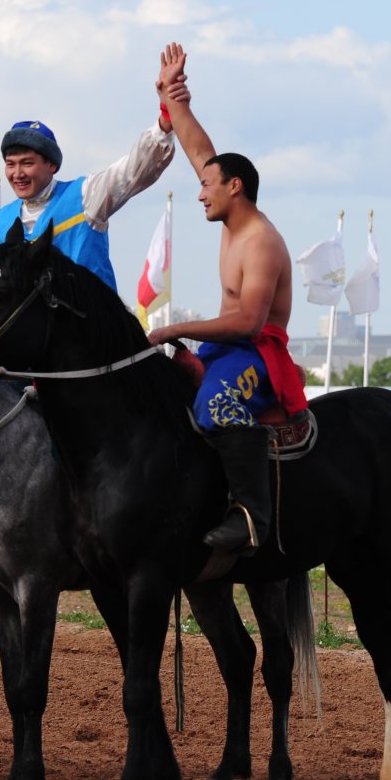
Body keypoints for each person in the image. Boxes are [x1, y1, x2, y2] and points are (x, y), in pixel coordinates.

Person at [145, 43, 308, 555]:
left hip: (257, 354)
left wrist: (175, 329)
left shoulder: (260, 240)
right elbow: (199, 150)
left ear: (235, 187)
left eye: (208, 186)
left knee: (217, 405)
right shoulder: (229, 212)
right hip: (227, 349)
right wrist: (173, 95)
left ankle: (250, 516)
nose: (200, 192)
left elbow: (246, 322)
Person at [0, 74, 186, 317]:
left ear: (51, 165)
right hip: (36, 344)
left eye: (27, 163)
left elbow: (134, 170)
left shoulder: (85, 197)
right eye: (10, 164)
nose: (17, 173)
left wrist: (165, 117)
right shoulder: (1, 222)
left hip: (95, 333)